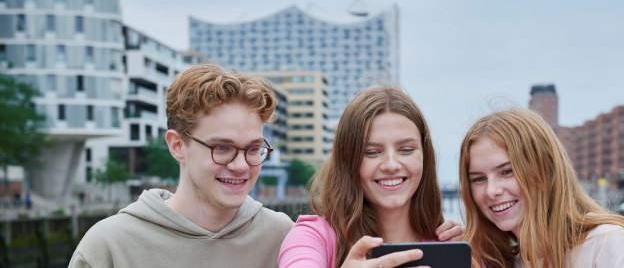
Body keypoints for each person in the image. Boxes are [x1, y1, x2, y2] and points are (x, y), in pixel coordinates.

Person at [69, 64, 293, 267]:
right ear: (177, 145)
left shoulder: (285, 238)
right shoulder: (108, 247)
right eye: (222, 148)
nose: (241, 165)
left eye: (253, 149)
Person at [278, 86, 464, 268]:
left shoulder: (452, 246)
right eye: (372, 152)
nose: (391, 165)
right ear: (348, 160)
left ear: (425, 156)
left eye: (406, 150)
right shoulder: (311, 238)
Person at [458, 108, 624, 268]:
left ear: (546, 169)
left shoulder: (609, 245)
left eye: (507, 171)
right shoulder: (509, 263)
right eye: (479, 179)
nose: (491, 190)